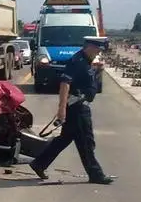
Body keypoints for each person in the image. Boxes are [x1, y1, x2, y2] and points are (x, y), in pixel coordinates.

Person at [29, 36, 114, 185]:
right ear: (89, 47)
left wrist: (97, 71)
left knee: (64, 139)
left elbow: (87, 82)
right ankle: (96, 174)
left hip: (80, 105)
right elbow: (65, 84)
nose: (98, 53)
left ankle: (39, 163)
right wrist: (61, 109)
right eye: (97, 49)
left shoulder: (86, 61)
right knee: (86, 142)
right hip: (77, 108)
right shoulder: (77, 61)